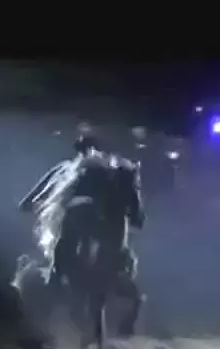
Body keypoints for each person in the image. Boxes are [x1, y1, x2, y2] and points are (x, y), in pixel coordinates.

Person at [17, 135, 146, 335]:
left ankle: (53, 288)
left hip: (80, 222)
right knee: (116, 255)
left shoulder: (67, 169)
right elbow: (134, 214)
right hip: (100, 229)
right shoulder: (115, 172)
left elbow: (33, 198)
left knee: (60, 255)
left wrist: (30, 205)